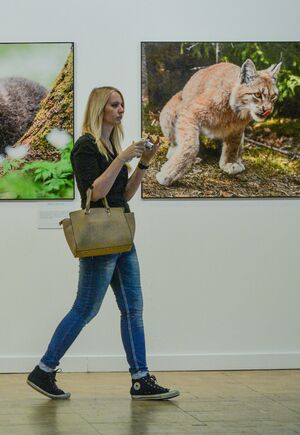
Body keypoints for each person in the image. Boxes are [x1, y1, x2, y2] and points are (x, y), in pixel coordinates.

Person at [27, 86, 180, 400]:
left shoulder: (111, 147)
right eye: (114, 104)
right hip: (100, 240)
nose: (121, 109)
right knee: (85, 309)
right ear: (100, 109)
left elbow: (121, 196)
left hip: (122, 235)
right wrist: (123, 157)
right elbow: (94, 193)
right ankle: (44, 370)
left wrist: (143, 164)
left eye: (122, 104)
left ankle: (140, 379)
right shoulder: (86, 146)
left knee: (133, 309)